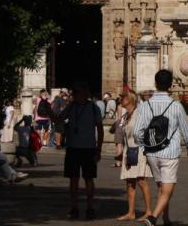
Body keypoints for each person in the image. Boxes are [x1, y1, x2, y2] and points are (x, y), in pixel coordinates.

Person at [133, 69, 188, 226]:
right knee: (168, 188)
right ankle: (153, 217)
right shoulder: (176, 106)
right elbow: (186, 129)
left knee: (161, 186)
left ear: (155, 83)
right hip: (170, 151)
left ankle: (166, 219)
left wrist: (144, 145)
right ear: (171, 85)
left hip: (152, 152)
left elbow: (136, 131)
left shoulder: (145, 105)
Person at [50, 80, 105, 220]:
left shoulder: (94, 108)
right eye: (74, 92)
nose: (74, 95)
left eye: (76, 92)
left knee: (89, 179)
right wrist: (49, 112)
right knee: (73, 180)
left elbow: (100, 129)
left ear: (84, 93)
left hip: (89, 148)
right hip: (73, 148)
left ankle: (90, 207)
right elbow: (59, 119)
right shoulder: (71, 107)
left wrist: (98, 149)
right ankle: (74, 207)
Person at [118, 89, 154, 221]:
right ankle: (131, 212)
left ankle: (149, 211)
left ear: (130, 100)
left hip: (140, 150)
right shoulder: (127, 115)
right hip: (129, 150)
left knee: (141, 181)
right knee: (129, 183)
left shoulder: (140, 113)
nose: (120, 99)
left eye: (122, 97)